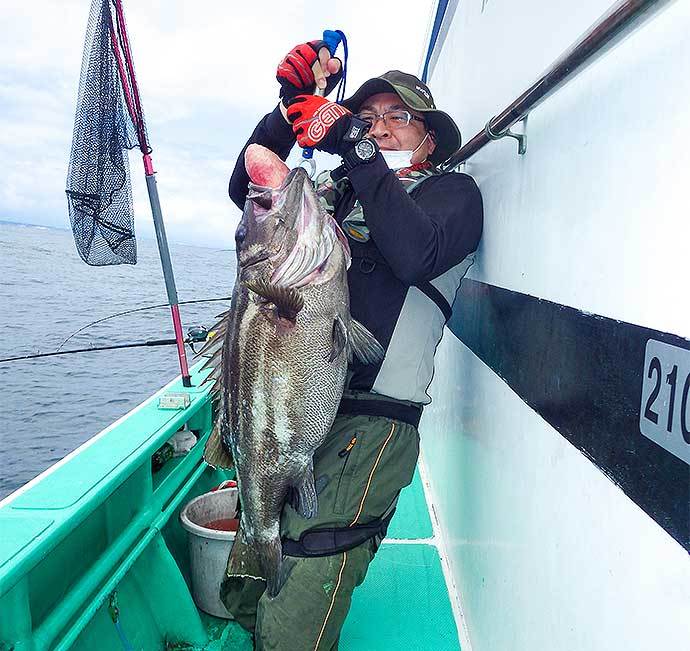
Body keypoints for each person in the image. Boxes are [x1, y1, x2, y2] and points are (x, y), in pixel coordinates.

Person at [222, 39, 483, 650]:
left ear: (430, 135)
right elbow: (252, 188)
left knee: (308, 575)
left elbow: (414, 252)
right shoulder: (335, 196)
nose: (379, 128)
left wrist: (357, 148)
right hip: (294, 403)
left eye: (398, 117)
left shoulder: (454, 196)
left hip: (372, 425)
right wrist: (288, 112)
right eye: (366, 118)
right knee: (247, 584)